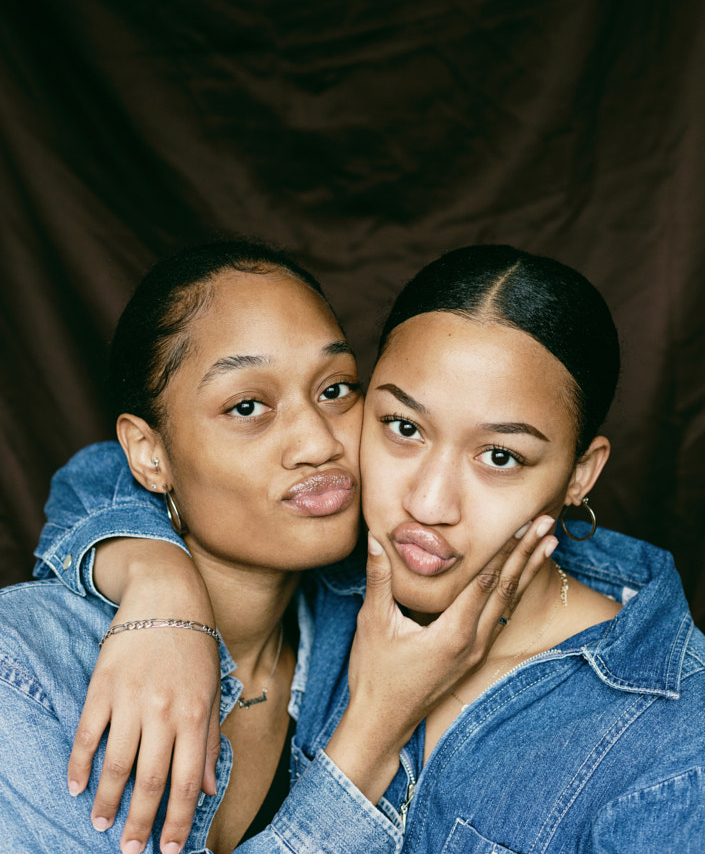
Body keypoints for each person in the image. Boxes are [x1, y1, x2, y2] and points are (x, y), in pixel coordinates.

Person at [31, 243, 705, 851]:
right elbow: (112, 470)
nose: (428, 504)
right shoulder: (332, 563)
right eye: (402, 427)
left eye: (499, 456)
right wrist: (161, 588)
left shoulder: (673, 746)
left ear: (580, 473)